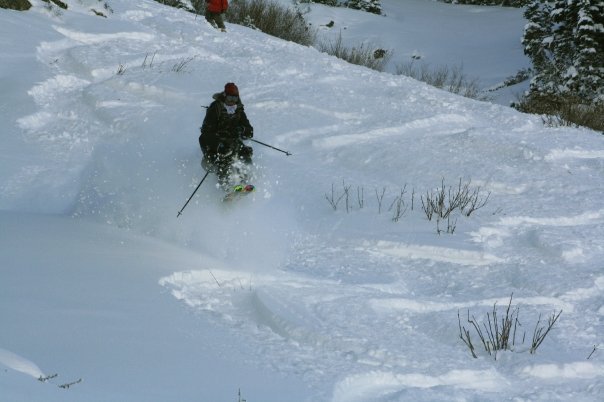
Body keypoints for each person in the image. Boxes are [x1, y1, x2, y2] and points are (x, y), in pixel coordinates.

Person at [199, 82, 254, 189]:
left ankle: (245, 182)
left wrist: (242, 129)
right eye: (229, 98)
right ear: (224, 96)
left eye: (235, 98)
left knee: (245, 154)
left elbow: (249, 131)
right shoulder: (215, 108)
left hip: (232, 141)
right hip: (214, 142)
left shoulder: (238, 109)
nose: (232, 101)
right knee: (224, 160)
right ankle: (227, 187)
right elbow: (206, 132)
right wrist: (218, 146)